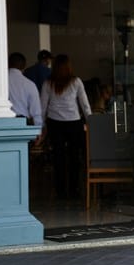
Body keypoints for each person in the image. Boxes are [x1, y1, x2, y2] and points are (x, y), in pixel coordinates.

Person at [40, 54, 92, 200]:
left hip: (54, 123)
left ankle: (60, 190)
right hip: (74, 123)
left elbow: (43, 106)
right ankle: (74, 189)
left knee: (58, 157)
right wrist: (91, 123)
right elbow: (85, 105)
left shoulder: (48, 83)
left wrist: (42, 126)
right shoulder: (76, 82)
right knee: (75, 157)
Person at [8, 52, 42, 127]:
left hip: (2, 122)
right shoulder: (30, 84)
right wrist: (38, 129)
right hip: (22, 123)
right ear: (24, 66)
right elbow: (36, 111)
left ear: (7, 63)